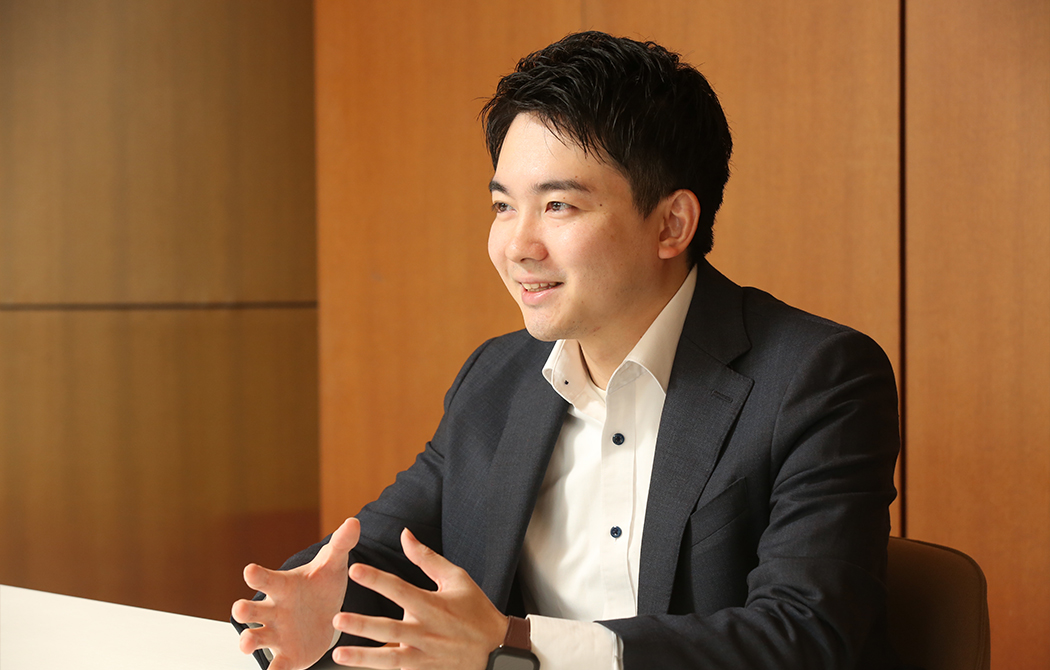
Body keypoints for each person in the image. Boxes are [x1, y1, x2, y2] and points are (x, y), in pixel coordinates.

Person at [232, 31, 902, 670]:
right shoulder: (497, 377)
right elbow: (380, 554)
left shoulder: (816, 378)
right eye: (503, 207)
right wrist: (313, 601)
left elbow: (804, 637)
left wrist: (513, 646)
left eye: (558, 206)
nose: (517, 247)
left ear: (671, 224)